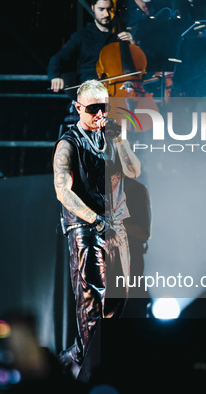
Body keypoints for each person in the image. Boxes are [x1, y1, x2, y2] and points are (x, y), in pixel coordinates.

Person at [53, 80, 141, 377]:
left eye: (103, 107)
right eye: (92, 109)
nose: (100, 114)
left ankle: (79, 357)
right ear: (78, 108)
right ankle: (92, 372)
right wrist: (93, 219)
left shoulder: (112, 136)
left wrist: (120, 141)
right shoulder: (69, 143)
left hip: (117, 225)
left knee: (120, 298)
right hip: (86, 228)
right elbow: (62, 191)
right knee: (93, 303)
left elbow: (134, 170)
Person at [47, 0, 134, 94]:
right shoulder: (81, 36)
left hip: (118, 90)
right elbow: (57, 59)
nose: (106, 14)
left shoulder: (121, 35)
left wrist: (134, 45)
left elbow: (141, 63)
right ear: (93, 8)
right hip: (89, 91)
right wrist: (55, 76)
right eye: (101, 9)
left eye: (109, 9)